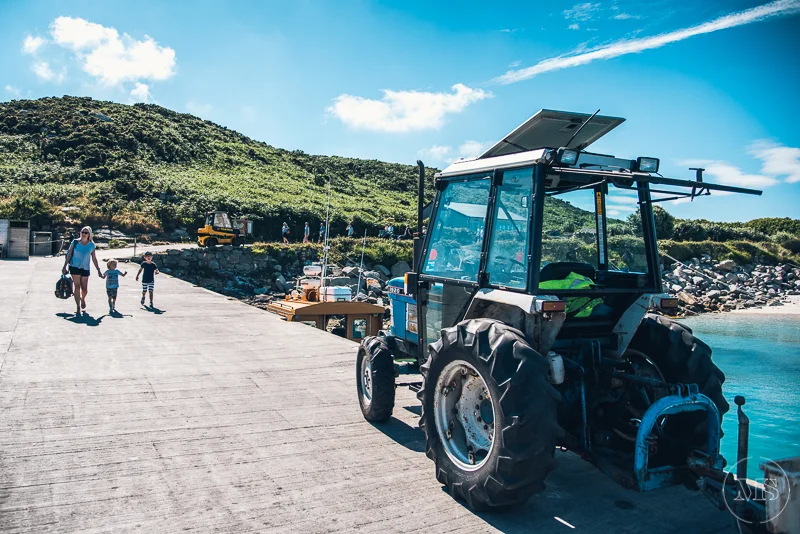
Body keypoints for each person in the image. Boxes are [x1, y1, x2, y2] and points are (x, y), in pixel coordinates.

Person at [61, 226, 103, 315]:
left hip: (85, 268)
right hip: (74, 266)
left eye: (86, 232)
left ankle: (82, 298)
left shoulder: (92, 245)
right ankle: (78, 307)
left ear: (89, 234)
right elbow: (69, 254)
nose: (84, 234)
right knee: (77, 286)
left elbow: (94, 258)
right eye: (82, 232)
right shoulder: (75, 242)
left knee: (84, 289)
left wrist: (98, 270)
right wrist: (64, 266)